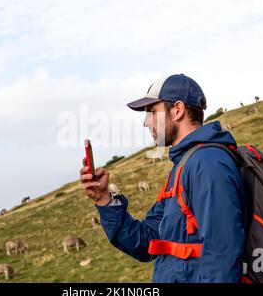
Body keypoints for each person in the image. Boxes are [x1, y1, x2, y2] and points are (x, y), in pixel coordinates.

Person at [79, 74, 247, 283]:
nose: (146, 122)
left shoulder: (208, 163)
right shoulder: (183, 167)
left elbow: (223, 256)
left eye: (151, 112)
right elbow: (146, 242)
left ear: (177, 110)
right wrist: (103, 199)